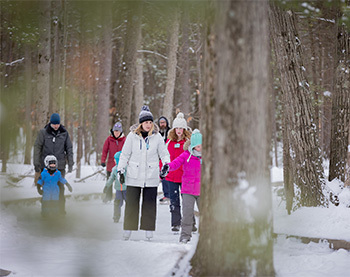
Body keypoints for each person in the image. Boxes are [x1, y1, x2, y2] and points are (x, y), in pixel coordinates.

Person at [117, 105, 170, 240]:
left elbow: (164, 154)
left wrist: (166, 164)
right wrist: (120, 170)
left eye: (150, 122)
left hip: (151, 175)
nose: (148, 125)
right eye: (146, 122)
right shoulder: (132, 136)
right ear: (141, 123)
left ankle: (148, 229)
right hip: (134, 175)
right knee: (132, 203)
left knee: (149, 203)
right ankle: (128, 228)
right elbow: (124, 154)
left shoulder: (157, 137)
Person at [161, 129, 202, 244]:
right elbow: (175, 163)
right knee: (187, 215)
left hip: (202, 190)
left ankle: (206, 236)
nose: (200, 149)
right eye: (198, 146)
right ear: (193, 146)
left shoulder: (206, 157)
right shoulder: (186, 155)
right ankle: (185, 236)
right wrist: (167, 167)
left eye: (202, 146)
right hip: (188, 190)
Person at [34, 113, 74, 215]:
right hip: (46, 166)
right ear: (50, 123)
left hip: (60, 166)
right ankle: (46, 210)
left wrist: (70, 163)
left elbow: (69, 148)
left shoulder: (64, 133)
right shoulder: (43, 133)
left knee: (60, 188)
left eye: (58, 124)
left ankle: (60, 210)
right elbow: (37, 147)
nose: (56, 126)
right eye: (54, 124)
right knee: (47, 188)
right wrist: (36, 163)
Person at [163, 113, 192, 232]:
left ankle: (190, 223)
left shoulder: (188, 142)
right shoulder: (169, 142)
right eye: (177, 128)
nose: (179, 130)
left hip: (185, 176)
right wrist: (163, 170)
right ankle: (175, 223)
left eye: (181, 128)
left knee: (187, 201)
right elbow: (164, 156)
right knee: (174, 201)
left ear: (184, 129)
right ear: (174, 129)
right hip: (172, 177)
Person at [101, 121, 126, 203]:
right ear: (113, 131)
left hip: (122, 165)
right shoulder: (109, 139)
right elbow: (105, 150)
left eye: (118, 131)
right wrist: (103, 160)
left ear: (120, 132)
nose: (116, 133)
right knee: (110, 180)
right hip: (111, 164)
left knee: (121, 182)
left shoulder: (124, 140)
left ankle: (122, 197)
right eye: (115, 131)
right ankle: (108, 197)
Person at [103, 151, 127, 223]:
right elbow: (111, 179)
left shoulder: (126, 168)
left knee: (129, 204)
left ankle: (130, 217)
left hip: (127, 189)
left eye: (115, 158)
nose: (114, 160)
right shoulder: (114, 169)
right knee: (117, 203)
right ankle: (116, 217)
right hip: (118, 190)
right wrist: (106, 186)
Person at [157, 116, 171, 204]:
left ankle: (170, 195)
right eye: (161, 122)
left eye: (164, 122)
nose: (162, 124)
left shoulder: (170, 132)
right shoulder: (157, 133)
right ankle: (166, 194)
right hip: (159, 158)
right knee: (163, 176)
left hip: (168, 157)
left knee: (168, 176)